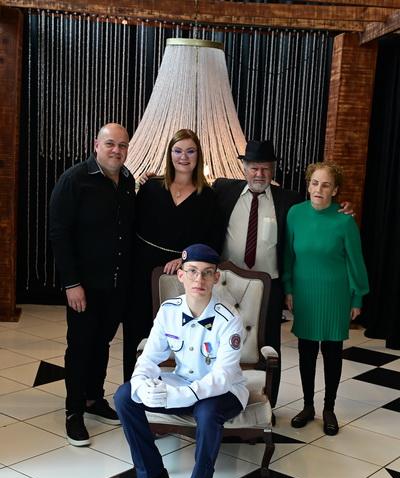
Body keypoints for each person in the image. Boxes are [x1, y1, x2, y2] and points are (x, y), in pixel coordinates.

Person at [213, 141, 353, 410]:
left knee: (268, 345)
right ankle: (222, 397)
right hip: (228, 284)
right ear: (244, 168)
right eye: (254, 168)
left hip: (270, 285)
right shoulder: (222, 190)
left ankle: (268, 403)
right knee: (224, 341)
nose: (259, 174)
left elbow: (317, 210)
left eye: (266, 169)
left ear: (273, 170)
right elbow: (189, 189)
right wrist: (152, 179)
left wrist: (342, 207)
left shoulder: (289, 200)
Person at [114, 244, 247, 478]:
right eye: (193, 272)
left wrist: (179, 396)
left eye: (207, 273)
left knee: (208, 413)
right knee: (125, 396)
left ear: (216, 278)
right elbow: (150, 357)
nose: (199, 279)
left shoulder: (229, 319)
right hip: (183, 380)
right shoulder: (169, 311)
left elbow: (222, 376)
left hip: (225, 391)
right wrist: (141, 384)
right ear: (181, 276)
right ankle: (151, 476)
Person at [49, 123, 135, 446]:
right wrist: (71, 283)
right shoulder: (74, 180)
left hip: (116, 283)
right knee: (80, 346)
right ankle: (74, 411)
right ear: (96, 145)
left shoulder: (127, 180)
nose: (116, 150)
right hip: (83, 286)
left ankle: (93, 398)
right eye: (110, 143)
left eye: (122, 145)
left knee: (102, 343)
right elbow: (59, 233)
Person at [122, 129, 223, 381]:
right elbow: (129, 222)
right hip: (143, 269)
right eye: (177, 151)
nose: (183, 157)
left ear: (198, 155)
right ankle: (134, 388)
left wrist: (185, 259)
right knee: (137, 331)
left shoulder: (208, 196)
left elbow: (214, 241)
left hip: (181, 275)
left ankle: (174, 390)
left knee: (177, 335)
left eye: (190, 151)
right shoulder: (151, 187)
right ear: (170, 154)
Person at [283, 162, 369, 435]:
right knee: (306, 351)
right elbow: (288, 255)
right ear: (308, 185)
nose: (319, 189)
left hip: (336, 295)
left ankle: (329, 408)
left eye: (326, 184)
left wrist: (358, 297)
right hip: (305, 293)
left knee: (332, 353)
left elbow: (355, 262)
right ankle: (307, 406)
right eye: (314, 183)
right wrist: (288, 288)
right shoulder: (295, 214)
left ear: (335, 190)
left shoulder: (345, 221)